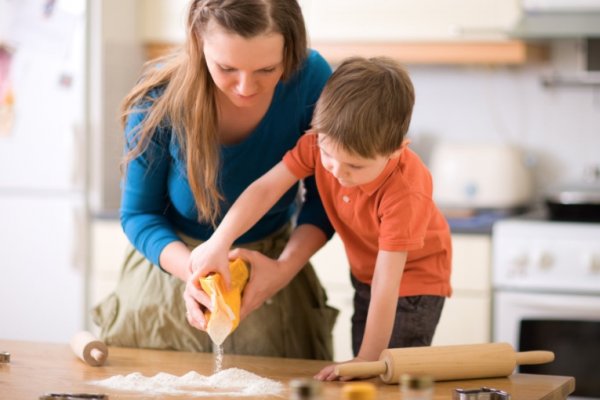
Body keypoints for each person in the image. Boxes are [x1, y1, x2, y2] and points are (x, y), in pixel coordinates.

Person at [92, 0, 338, 360]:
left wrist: (283, 270)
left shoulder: (311, 79)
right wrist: (193, 270)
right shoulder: (158, 98)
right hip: (170, 274)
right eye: (226, 68)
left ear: (293, 48)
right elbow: (139, 215)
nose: (245, 87)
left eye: (268, 69)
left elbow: (325, 200)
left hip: (269, 275)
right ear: (198, 40)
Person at [189, 56, 452, 379]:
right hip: (367, 276)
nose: (338, 172)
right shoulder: (318, 143)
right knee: (366, 370)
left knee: (385, 373)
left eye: (355, 166)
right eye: (328, 155)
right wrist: (220, 240)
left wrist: (367, 359)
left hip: (412, 285)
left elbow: (388, 282)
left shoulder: (405, 191)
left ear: (396, 150)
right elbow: (265, 189)